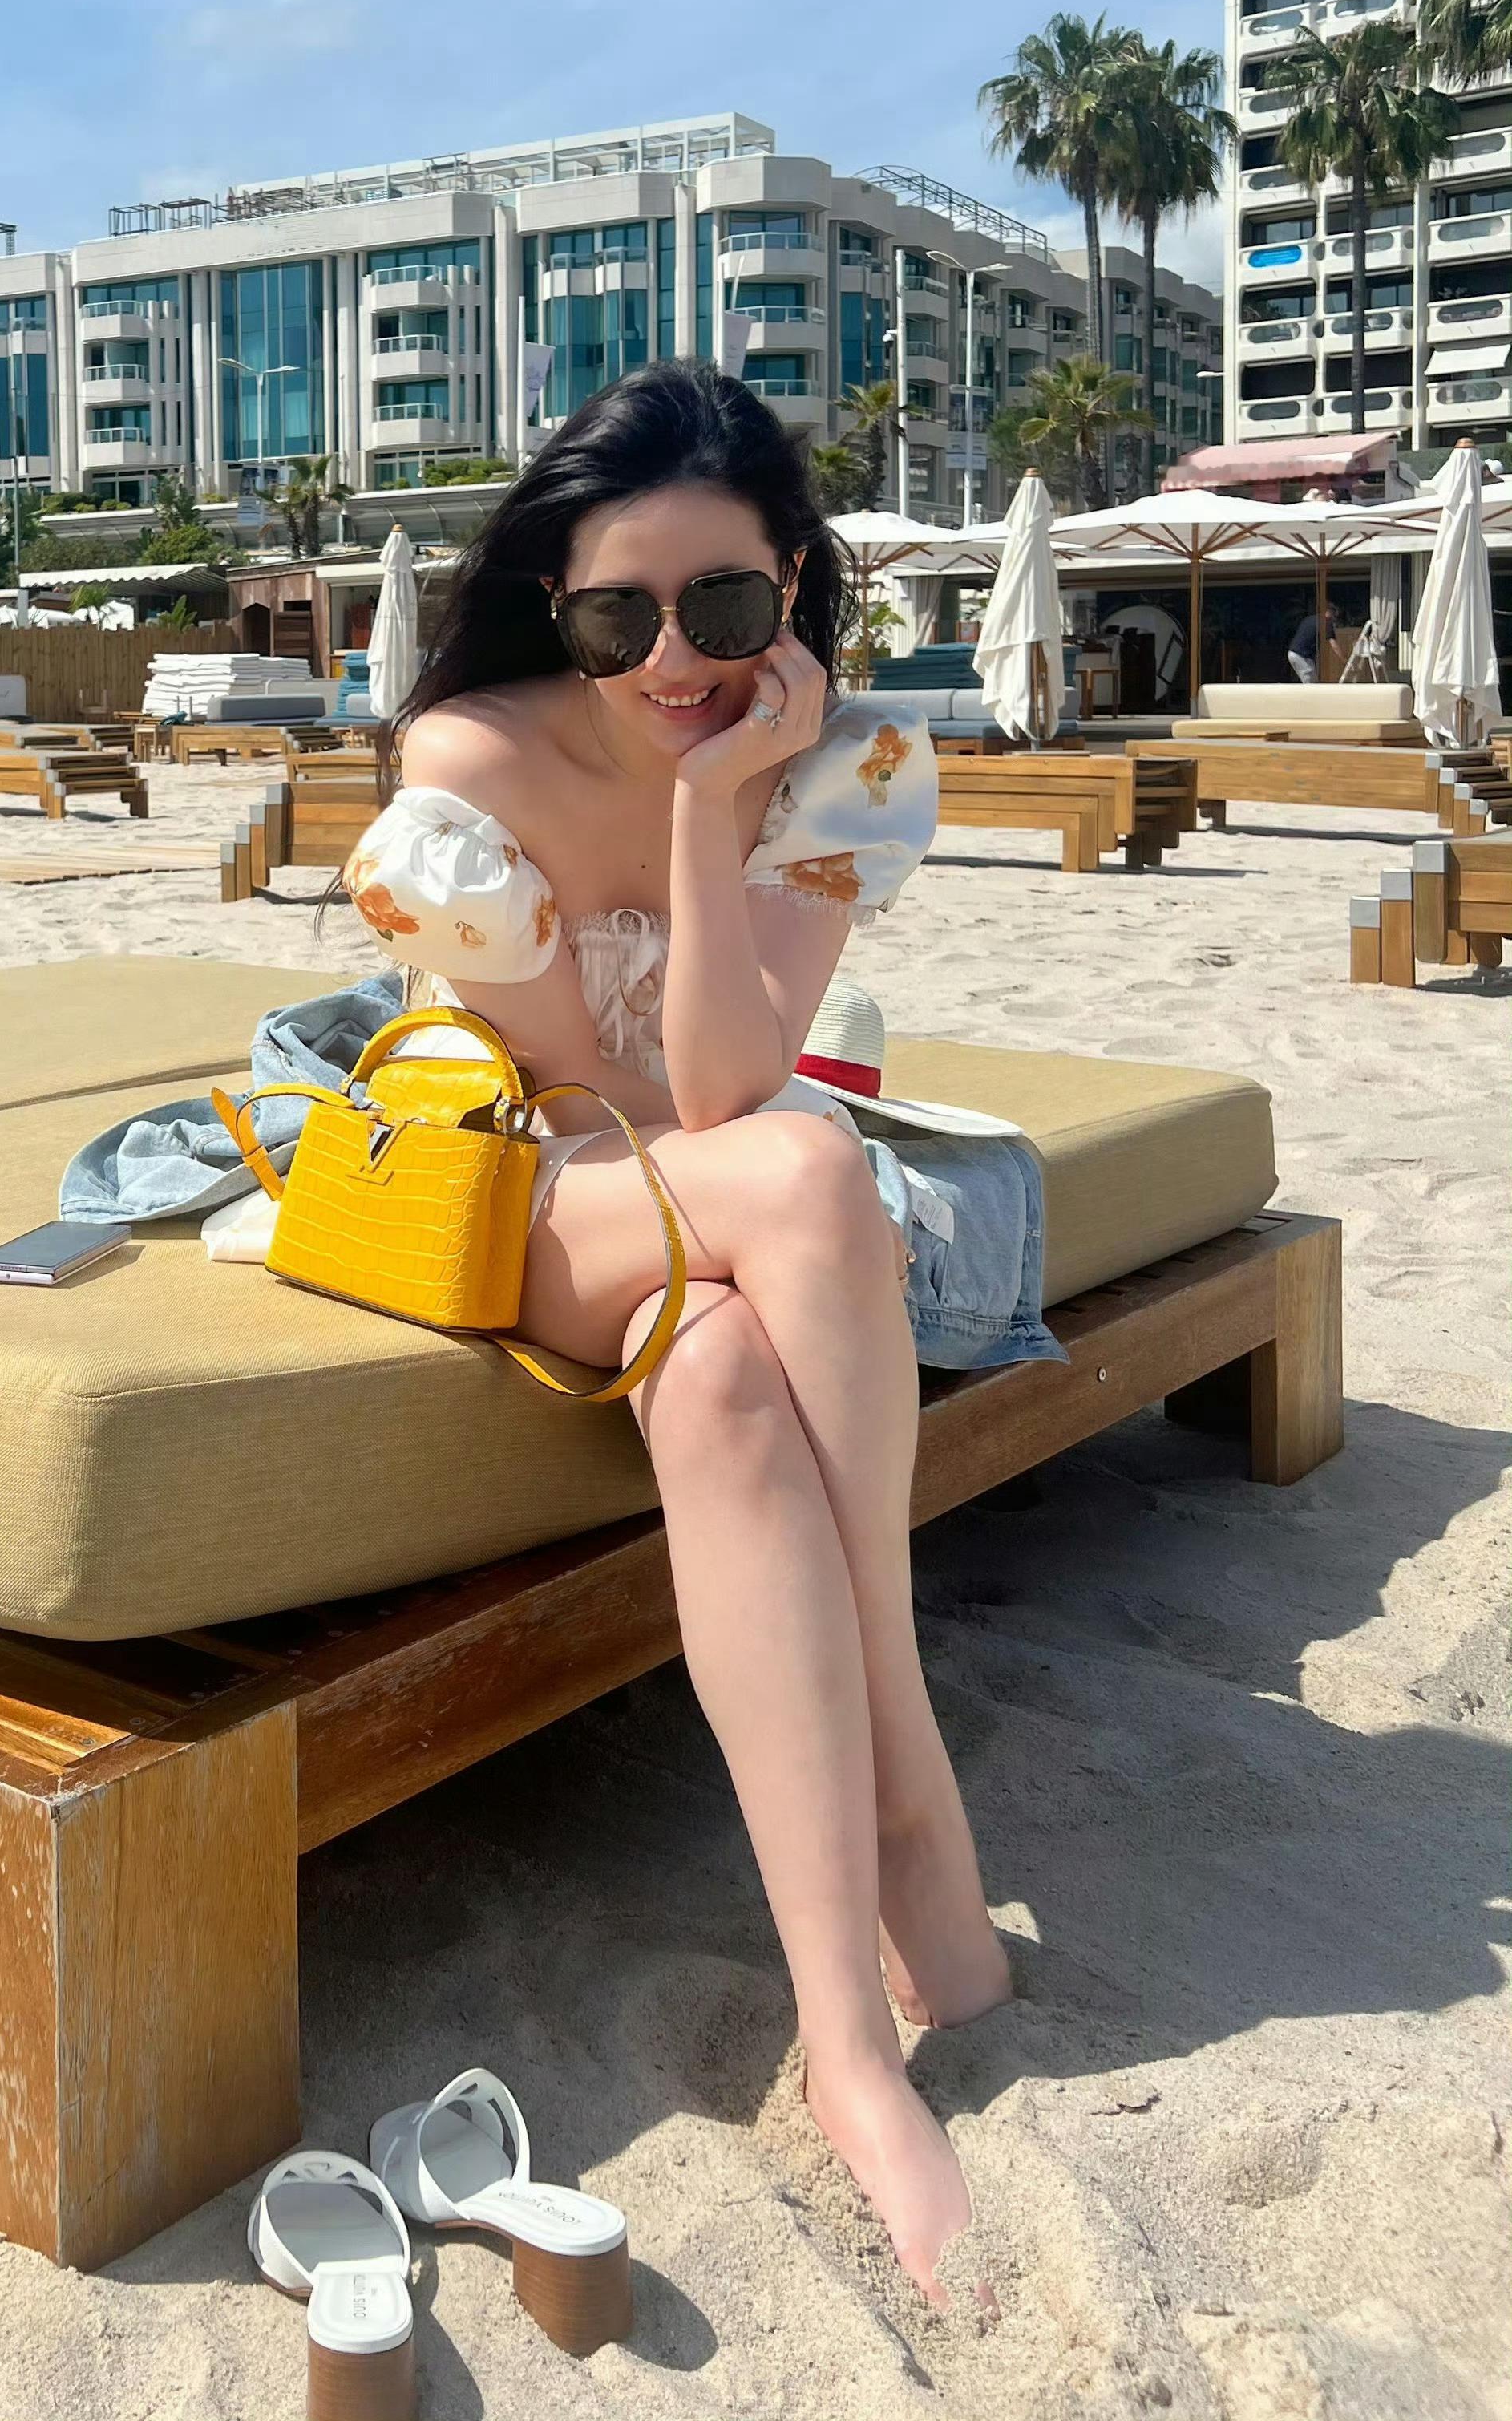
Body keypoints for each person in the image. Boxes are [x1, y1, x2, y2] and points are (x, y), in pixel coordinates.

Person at [340, 362, 1009, 2306]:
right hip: (532, 1196)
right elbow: (658, 1114)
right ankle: (915, 1793)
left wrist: (718, 805)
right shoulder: (469, 765)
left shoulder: (854, 766)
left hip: (702, 1218)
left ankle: (848, 2046)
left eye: (721, 607)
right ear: (554, 610)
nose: (673, 663)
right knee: (800, 1171)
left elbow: (723, 1076)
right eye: (614, 620)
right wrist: (711, 799)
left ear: (791, 581)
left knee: (717, 1376)